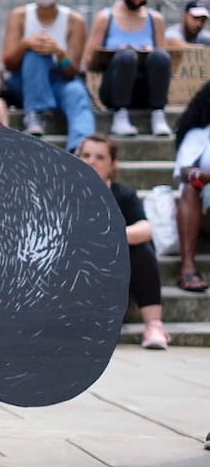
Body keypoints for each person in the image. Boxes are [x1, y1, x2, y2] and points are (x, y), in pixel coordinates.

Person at [77, 134, 170, 349]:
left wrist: (110, 237)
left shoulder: (124, 195)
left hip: (114, 278)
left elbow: (145, 228)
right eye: (86, 155)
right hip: (79, 278)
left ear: (112, 165)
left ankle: (154, 325)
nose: (91, 161)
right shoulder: (66, 194)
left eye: (100, 157)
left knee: (141, 250)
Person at [1, 0, 95, 148]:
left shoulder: (74, 20)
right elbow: (9, 63)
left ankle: (82, 146)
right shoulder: (19, 16)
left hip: (59, 81)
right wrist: (26, 43)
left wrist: (59, 52)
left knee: (77, 93)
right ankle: (35, 112)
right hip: (25, 81)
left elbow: (72, 70)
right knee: (36, 52)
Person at [81, 0, 172, 137]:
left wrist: (148, 52)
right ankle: (120, 115)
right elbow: (88, 60)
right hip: (115, 87)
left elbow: (165, 60)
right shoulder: (106, 17)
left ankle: (158, 113)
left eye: (141, 1)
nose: (136, 3)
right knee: (127, 56)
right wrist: (113, 53)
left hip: (145, 88)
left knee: (160, 56)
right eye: (132, 0)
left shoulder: (155, 19)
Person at [170, 83, 210, 293]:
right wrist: (198, 175)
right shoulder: (199, 134)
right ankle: (188, 267)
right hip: (206, 213)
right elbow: (186, 171)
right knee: (190, 188)